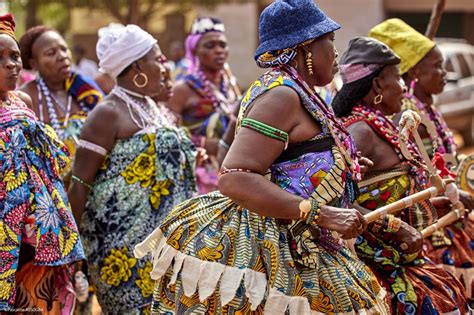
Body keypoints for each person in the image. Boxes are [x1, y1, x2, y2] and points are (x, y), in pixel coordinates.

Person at [134, 1, 389, 313]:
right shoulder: (281, 96)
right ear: (305, 49)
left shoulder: (303, 93)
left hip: (307, 237)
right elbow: (235, 176)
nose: (336, 53)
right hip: (271, 246)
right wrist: (321, 214)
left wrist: (339, 164)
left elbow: (294, 160)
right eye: (330, 41)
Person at [67, 23, 196, 314]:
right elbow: (79, 184)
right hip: (122, 251)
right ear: (137, 64)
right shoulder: (107, 112)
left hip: (167, 245)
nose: (164, 65)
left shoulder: (153, 107)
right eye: (158, 58)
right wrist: (69, 251)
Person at [332, 36, 467, 314]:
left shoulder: (382, 125)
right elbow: (332, 199)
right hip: (374, 262)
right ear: (378, 84)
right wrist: (395, 227)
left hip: (400, 255)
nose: (404, 87)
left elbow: (387, 193)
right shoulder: (359, 131)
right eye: (398, 78)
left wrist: (436, 204)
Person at [370, 19, 474, 299]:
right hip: (424, 222)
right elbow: (413, 170)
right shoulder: (403, 113)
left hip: (445, 206)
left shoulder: (426, 105)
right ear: (415, 71)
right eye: (437, 67)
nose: (444, 74)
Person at [0, 13, 85, 313]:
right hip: (5, 234)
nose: (11, 64)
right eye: (0, 58)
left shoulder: (22, 102)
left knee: (41, 302)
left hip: (40, 232)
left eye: (14, 56)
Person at [19, 26, 104, 183]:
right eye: (51, 53)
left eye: (64, 49)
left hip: (91, 183)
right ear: (34, 63)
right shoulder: (26, 97)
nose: (62, 56)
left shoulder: (86, 91)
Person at [168, 17, 240, 194]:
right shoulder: (182, 89)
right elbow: (166, 135)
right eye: (210, 46)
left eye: (222, 45)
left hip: (229, 169)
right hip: (197, 176)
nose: (219, 51)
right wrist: (207, 144)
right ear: (196, 51)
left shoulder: (230, 85)